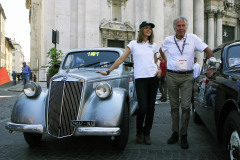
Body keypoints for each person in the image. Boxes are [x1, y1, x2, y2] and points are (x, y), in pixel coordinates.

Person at [96, 21, 161, 145]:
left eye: (150, 29)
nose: (148, 30)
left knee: (151, 108)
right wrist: (108, 71)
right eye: (146, 28)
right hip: (141, 79)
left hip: (153, 79)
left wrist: (159, 69)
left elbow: (155, 62)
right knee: (142, 107)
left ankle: (147, 133)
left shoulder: (153, 45)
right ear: (141, 30)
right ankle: (139, 133)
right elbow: (121, 58)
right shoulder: (133, 44)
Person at [159, 16, 214, 149]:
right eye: (178, 25)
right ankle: (175, 133)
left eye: (183, 25)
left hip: (187, 77)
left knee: (185, 107)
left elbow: (208, 51)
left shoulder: (193, 38)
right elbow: (160, 50)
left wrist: (211, 67)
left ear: (186, 27)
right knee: (173, 107)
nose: (181, 28)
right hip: (171, 76)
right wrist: (165, 62)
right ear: (174, 28)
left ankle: (184, 135)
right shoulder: (168, 40)